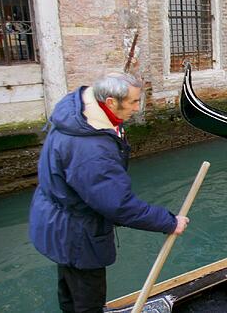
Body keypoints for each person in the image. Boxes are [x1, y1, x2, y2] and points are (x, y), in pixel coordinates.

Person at [28, 73, 189, 313]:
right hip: (77, 233)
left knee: (70, 286)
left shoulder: (76, 110)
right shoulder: (92, 150)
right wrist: (169, 222)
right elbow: (118, 205)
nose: (138, 108)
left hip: (55, 220)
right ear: (111, 102)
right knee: (87, 300)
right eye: (134, 102)